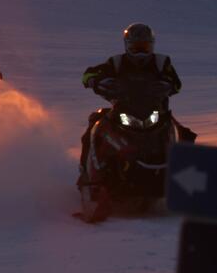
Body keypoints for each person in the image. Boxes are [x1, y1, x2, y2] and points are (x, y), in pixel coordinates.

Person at [78, 23, 193, 180]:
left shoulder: (161, 63)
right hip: (123, 109)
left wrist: (167, 84)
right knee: (94, 126)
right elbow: (88, 74)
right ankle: (86, 173)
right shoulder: (116, 62)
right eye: (136, 47)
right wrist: (95, 80)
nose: (140, 51)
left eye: (144, 47)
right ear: (127, 46)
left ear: (151, 46)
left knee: (185, 135)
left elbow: (177, 84)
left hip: (156, 111)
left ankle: (186, 178)